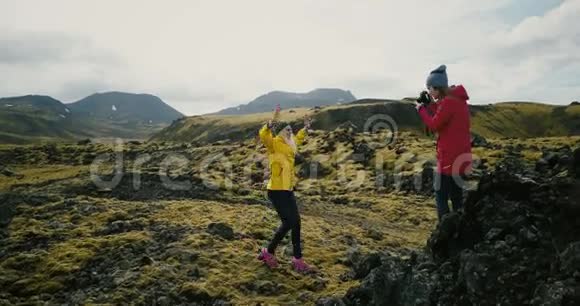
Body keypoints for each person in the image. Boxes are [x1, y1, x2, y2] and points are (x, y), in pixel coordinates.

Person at [257, 104, 313, 272]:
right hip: (276, 191)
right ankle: (271, 252)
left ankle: (295, 258)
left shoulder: (290, 144)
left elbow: (299, 138)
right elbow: (263, 134)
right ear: (280, 131)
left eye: (290, 129)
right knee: (289, 222)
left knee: (294, 223)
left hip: (288, 189)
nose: (290, 132)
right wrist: (271, 122)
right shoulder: (274, 143)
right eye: (287, 130)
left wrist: (305, 128)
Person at [415, 65, 472, 220]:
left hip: (449, 157)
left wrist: (421, 110)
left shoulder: (448, 103)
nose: (429, 91)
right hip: (462, 156)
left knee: (440, 194)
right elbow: (443, 113)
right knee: (456, 195)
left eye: (430, 88)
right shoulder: (457, 100)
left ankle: (444, 229)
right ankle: (459, 228)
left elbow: (434, 125)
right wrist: (430, 105)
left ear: (437, 87)